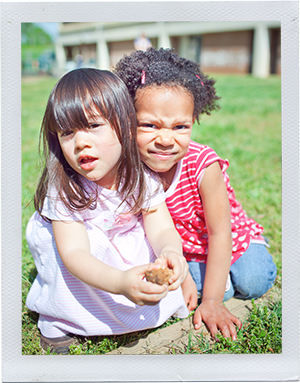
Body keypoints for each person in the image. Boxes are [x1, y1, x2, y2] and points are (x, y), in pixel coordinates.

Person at [114, 47, 277, 340]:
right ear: (127, 121)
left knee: (253, 281)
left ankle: (246, 254)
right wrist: (185, 276)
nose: (165, 139)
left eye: (180, 126)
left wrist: (212, 302)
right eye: (149, 125)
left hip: (226, 237)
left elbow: (219, 232)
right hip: (179, 250)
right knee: (177, 284)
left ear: (194, 121)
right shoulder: (129, 168)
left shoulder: (203, 165)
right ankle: (211, 280)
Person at [26, 68, 189, 354]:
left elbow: (162, 227)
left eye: (93, 125)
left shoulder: (140, 177)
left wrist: (172, 253)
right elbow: (75, 254)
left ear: (125, 126)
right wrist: (121, 282)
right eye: (67, 132)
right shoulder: (65, 188)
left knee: (143, 238)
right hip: (79, 258)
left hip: (117, 246)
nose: (80, 142)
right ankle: (63, 322)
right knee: (65, 255)